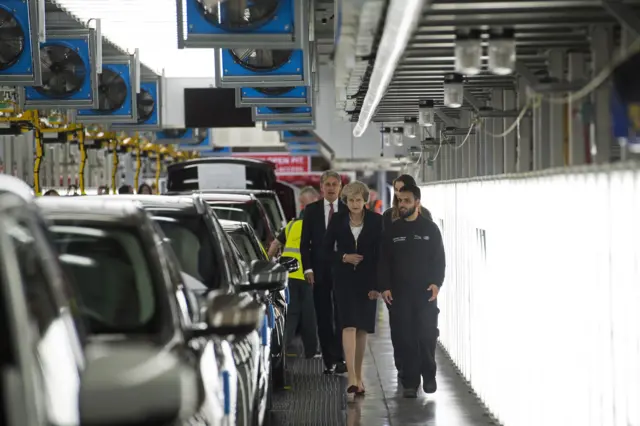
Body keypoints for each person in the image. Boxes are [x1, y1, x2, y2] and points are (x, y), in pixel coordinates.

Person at [378, 184, 445, 398]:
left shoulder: (430, 229)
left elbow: (439, 260)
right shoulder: (391, 230)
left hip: (425, 293)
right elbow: (384, 261)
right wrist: (385, 286)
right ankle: (410, 381)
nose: (402, 204)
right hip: (399, 294)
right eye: (399, 200)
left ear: (417, 202)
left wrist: (436, 283)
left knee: (426, 334)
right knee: (404, 337)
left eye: (406, 200)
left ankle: (429, 374)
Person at [323, 181, 382, 400]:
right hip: (344, 279)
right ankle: (352, 379)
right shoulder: (337, 220)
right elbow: (325, 250)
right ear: (345, 202)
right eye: (351, 200)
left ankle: (359, 375)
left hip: (368, 281)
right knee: (347, 325)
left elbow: (382, 254)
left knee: (362, 329)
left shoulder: (376, 221)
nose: (355, 204)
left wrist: (378, 285)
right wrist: (343, 257)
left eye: (358, 200)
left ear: (365, 201)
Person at [381, 174, 433, 379]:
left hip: (419, 283)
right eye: (396, 190)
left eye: (403, 190)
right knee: (399, 327)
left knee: (421, 328)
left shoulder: (425, 215)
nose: (399, 195)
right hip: (395, 283)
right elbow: (384, 250)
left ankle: (419, 367)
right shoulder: (388, 216)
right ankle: (402, 366)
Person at [300, 170, 346, 374]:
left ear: (340, 187)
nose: (331, 188)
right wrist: (307, 268)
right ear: (321, 188)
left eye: (334, 184)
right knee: (323, 316)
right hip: (318, 270)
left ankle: (340, 357)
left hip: (343, 269)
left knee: (342, 315)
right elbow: (304, 244)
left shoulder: (348, 210)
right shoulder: (311, 211)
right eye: (327, 184)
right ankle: (329, 360)